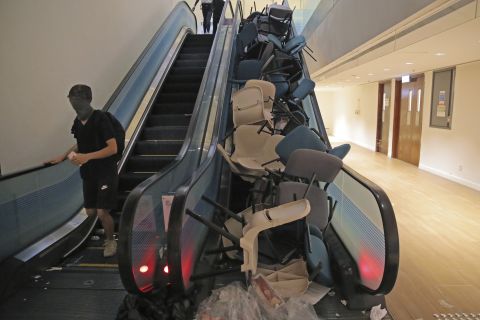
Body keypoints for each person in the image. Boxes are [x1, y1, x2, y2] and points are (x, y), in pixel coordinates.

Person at [48, 84, 118, 257]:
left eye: (78, 100)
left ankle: (110, 240)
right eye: (72, 100)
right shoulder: (78, 122)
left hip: (105, 172)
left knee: (102, 211)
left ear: (88, 100)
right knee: (90, 211)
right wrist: (64, 156)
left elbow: (113, 148)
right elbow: (81, 142)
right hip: (88, 173)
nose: (74, 104)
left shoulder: (101, 119)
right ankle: (101, 231)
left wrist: (87, 157)